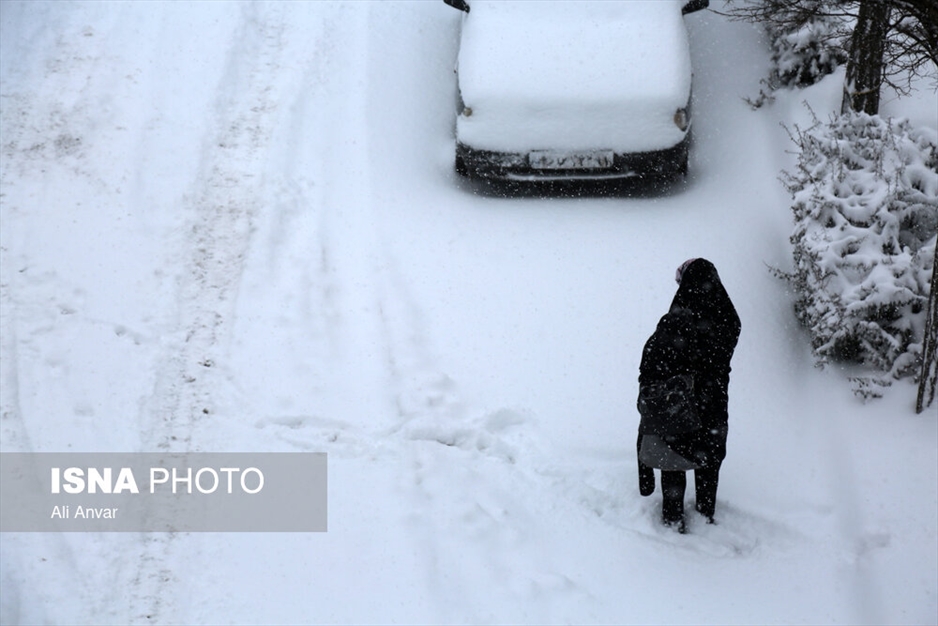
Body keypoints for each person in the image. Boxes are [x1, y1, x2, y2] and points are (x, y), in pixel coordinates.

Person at [636, 258, 740, 532]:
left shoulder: (676, 320)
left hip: (681, 406)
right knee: (708, 458)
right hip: (714, 402)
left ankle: (673, 521)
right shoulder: (729, 319)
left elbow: (653, 363)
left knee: (674, 459)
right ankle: (706, 515)